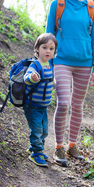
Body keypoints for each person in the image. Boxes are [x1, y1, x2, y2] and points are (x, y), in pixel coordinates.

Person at [46, 0, 94, 167]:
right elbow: (49, 35)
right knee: (63, 103)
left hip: (85, 64)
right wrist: (48, 62)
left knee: (77, 105)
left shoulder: (91, 8)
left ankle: (72, 145)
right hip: (61, 61)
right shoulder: (58, 4)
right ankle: (58, 146)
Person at [23, 33, 58, 167]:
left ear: (54, 51)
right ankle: (36, 152)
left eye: (51, 49)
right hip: (32, 105)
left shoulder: (49, 66)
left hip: (43, 106)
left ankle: (36, 148)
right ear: (37, 49)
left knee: (44, 130)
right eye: (44, 47)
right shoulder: (35, 65)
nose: (48, 51)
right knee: (36, 129)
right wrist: (32, 77)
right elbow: (26, 78)